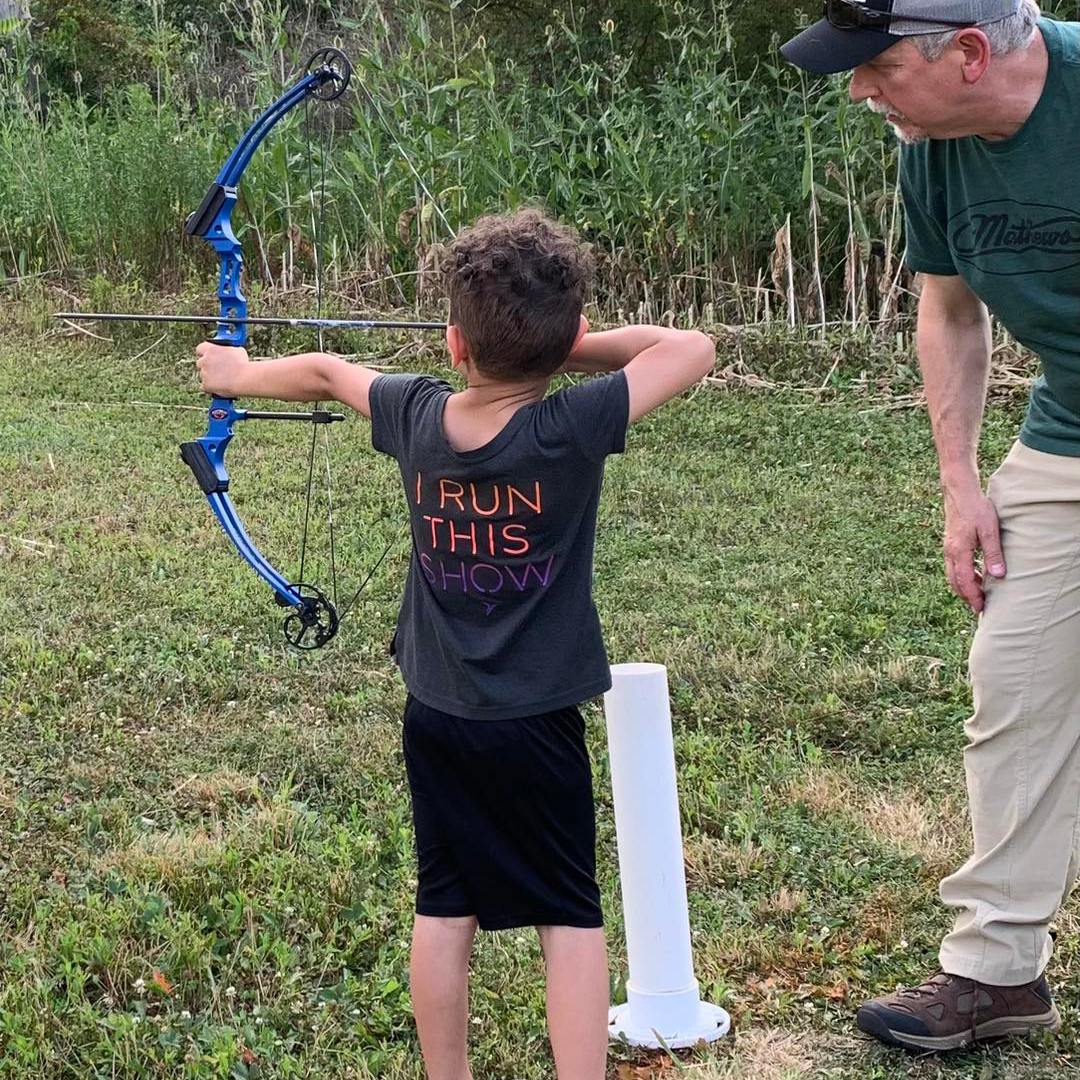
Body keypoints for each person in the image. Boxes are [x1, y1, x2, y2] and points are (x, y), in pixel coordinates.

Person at [194, 207, 715, 1079]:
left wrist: (236, 371)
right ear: (567, 344)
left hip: (436, 711)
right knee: (569, 913)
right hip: (538, 720)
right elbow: (690, 349)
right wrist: (570, 349)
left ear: (452, 345)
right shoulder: (570, 427)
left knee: (445, 903)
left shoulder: (414, 413)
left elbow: (326, 372)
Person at [782, 0, 1077, 1055]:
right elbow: (951, 311)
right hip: (1067, 437)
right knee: (1016, 684)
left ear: (965, 53)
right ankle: (997, 973)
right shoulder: (932, 150)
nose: (859, 91)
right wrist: (961, 484)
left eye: (877, 68)